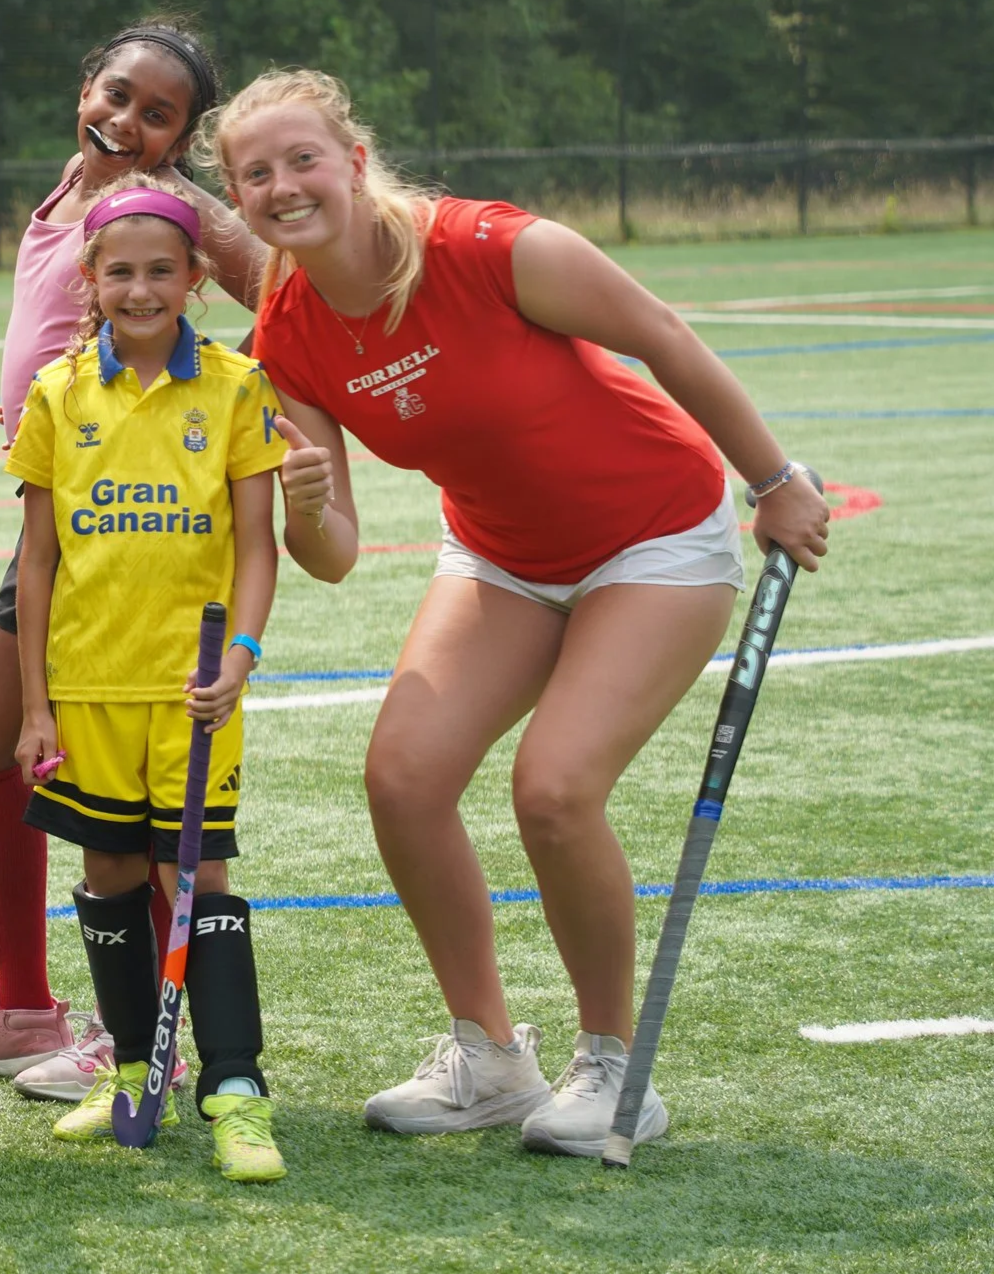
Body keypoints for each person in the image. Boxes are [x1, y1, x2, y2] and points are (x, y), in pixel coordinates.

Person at [202, 69, 831, 1160]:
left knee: (552, 788)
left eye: (301, 159)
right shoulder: (286, 330)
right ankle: (488, 1058)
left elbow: (662, 336)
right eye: (254, 175)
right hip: (500, 554)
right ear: (239, 202)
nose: (281, 186)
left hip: (654, 533)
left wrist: (772, 478)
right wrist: (304, 502)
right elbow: (335, 555)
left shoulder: (491, 249)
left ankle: (611, 1067)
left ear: (353, 161)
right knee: (401, 776)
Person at [0, 18, 267, 1102]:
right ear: (87, 83)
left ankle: (142, 1038)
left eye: (154, 116)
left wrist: (215, 411)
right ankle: (26, 1006)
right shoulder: (67, 190)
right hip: (57, 520)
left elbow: (285, 298)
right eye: (116, 95)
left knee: (130, 798)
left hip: (130, 534)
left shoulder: (170, 217)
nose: (124, 122)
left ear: (180, 139)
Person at [8, 177, 287, 1182]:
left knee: (198, 878)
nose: (138, 289)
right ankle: (128, 1070)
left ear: (193, 278)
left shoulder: (235, 385)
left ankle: (235, 1091)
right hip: (86, 693)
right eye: (117, 272)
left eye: (158, 271)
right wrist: (34, 704)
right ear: (87, 279)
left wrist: (240, 659)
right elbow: (34, 562)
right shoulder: (57, 393)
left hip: (193, 693)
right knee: (109, 879)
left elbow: (257, 545)